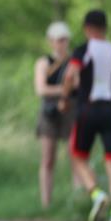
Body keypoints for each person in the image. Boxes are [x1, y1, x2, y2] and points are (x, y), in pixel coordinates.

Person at [59, 10, 111, 221]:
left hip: (88, 109)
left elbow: (69, 75)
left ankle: (96, 194)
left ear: (86, 28)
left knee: (77, 156)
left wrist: (64, 99)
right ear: (105, 28)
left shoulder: (84, 49)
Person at [34, 21, 77, 208]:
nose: (61, 43)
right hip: (50, 112)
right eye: (58, 40)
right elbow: (41, 89)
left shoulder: (74, 62)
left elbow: (78, 83)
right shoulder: (44, 62)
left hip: (70, 110)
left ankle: (77, 199)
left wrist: (63, 91)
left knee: (76, 156)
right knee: (48, 158)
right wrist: (64, 89)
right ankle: (46, 203)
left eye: (64, 39)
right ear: (51, 41)